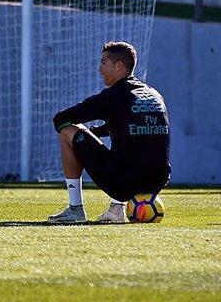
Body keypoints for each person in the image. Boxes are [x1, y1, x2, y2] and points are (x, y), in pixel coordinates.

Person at [48, 41, 170, 223]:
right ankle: (116, 210)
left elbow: (61, 118)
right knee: (131, 142)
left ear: (119, 65)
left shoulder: (112, 97)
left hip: (124, 183)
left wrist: (85, 136)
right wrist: (98, 131)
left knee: (67, 130)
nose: (99, 68)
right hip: (157, 181)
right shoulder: (154, 95)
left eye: (103, 62)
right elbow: (131, 125)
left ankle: (75, 209)